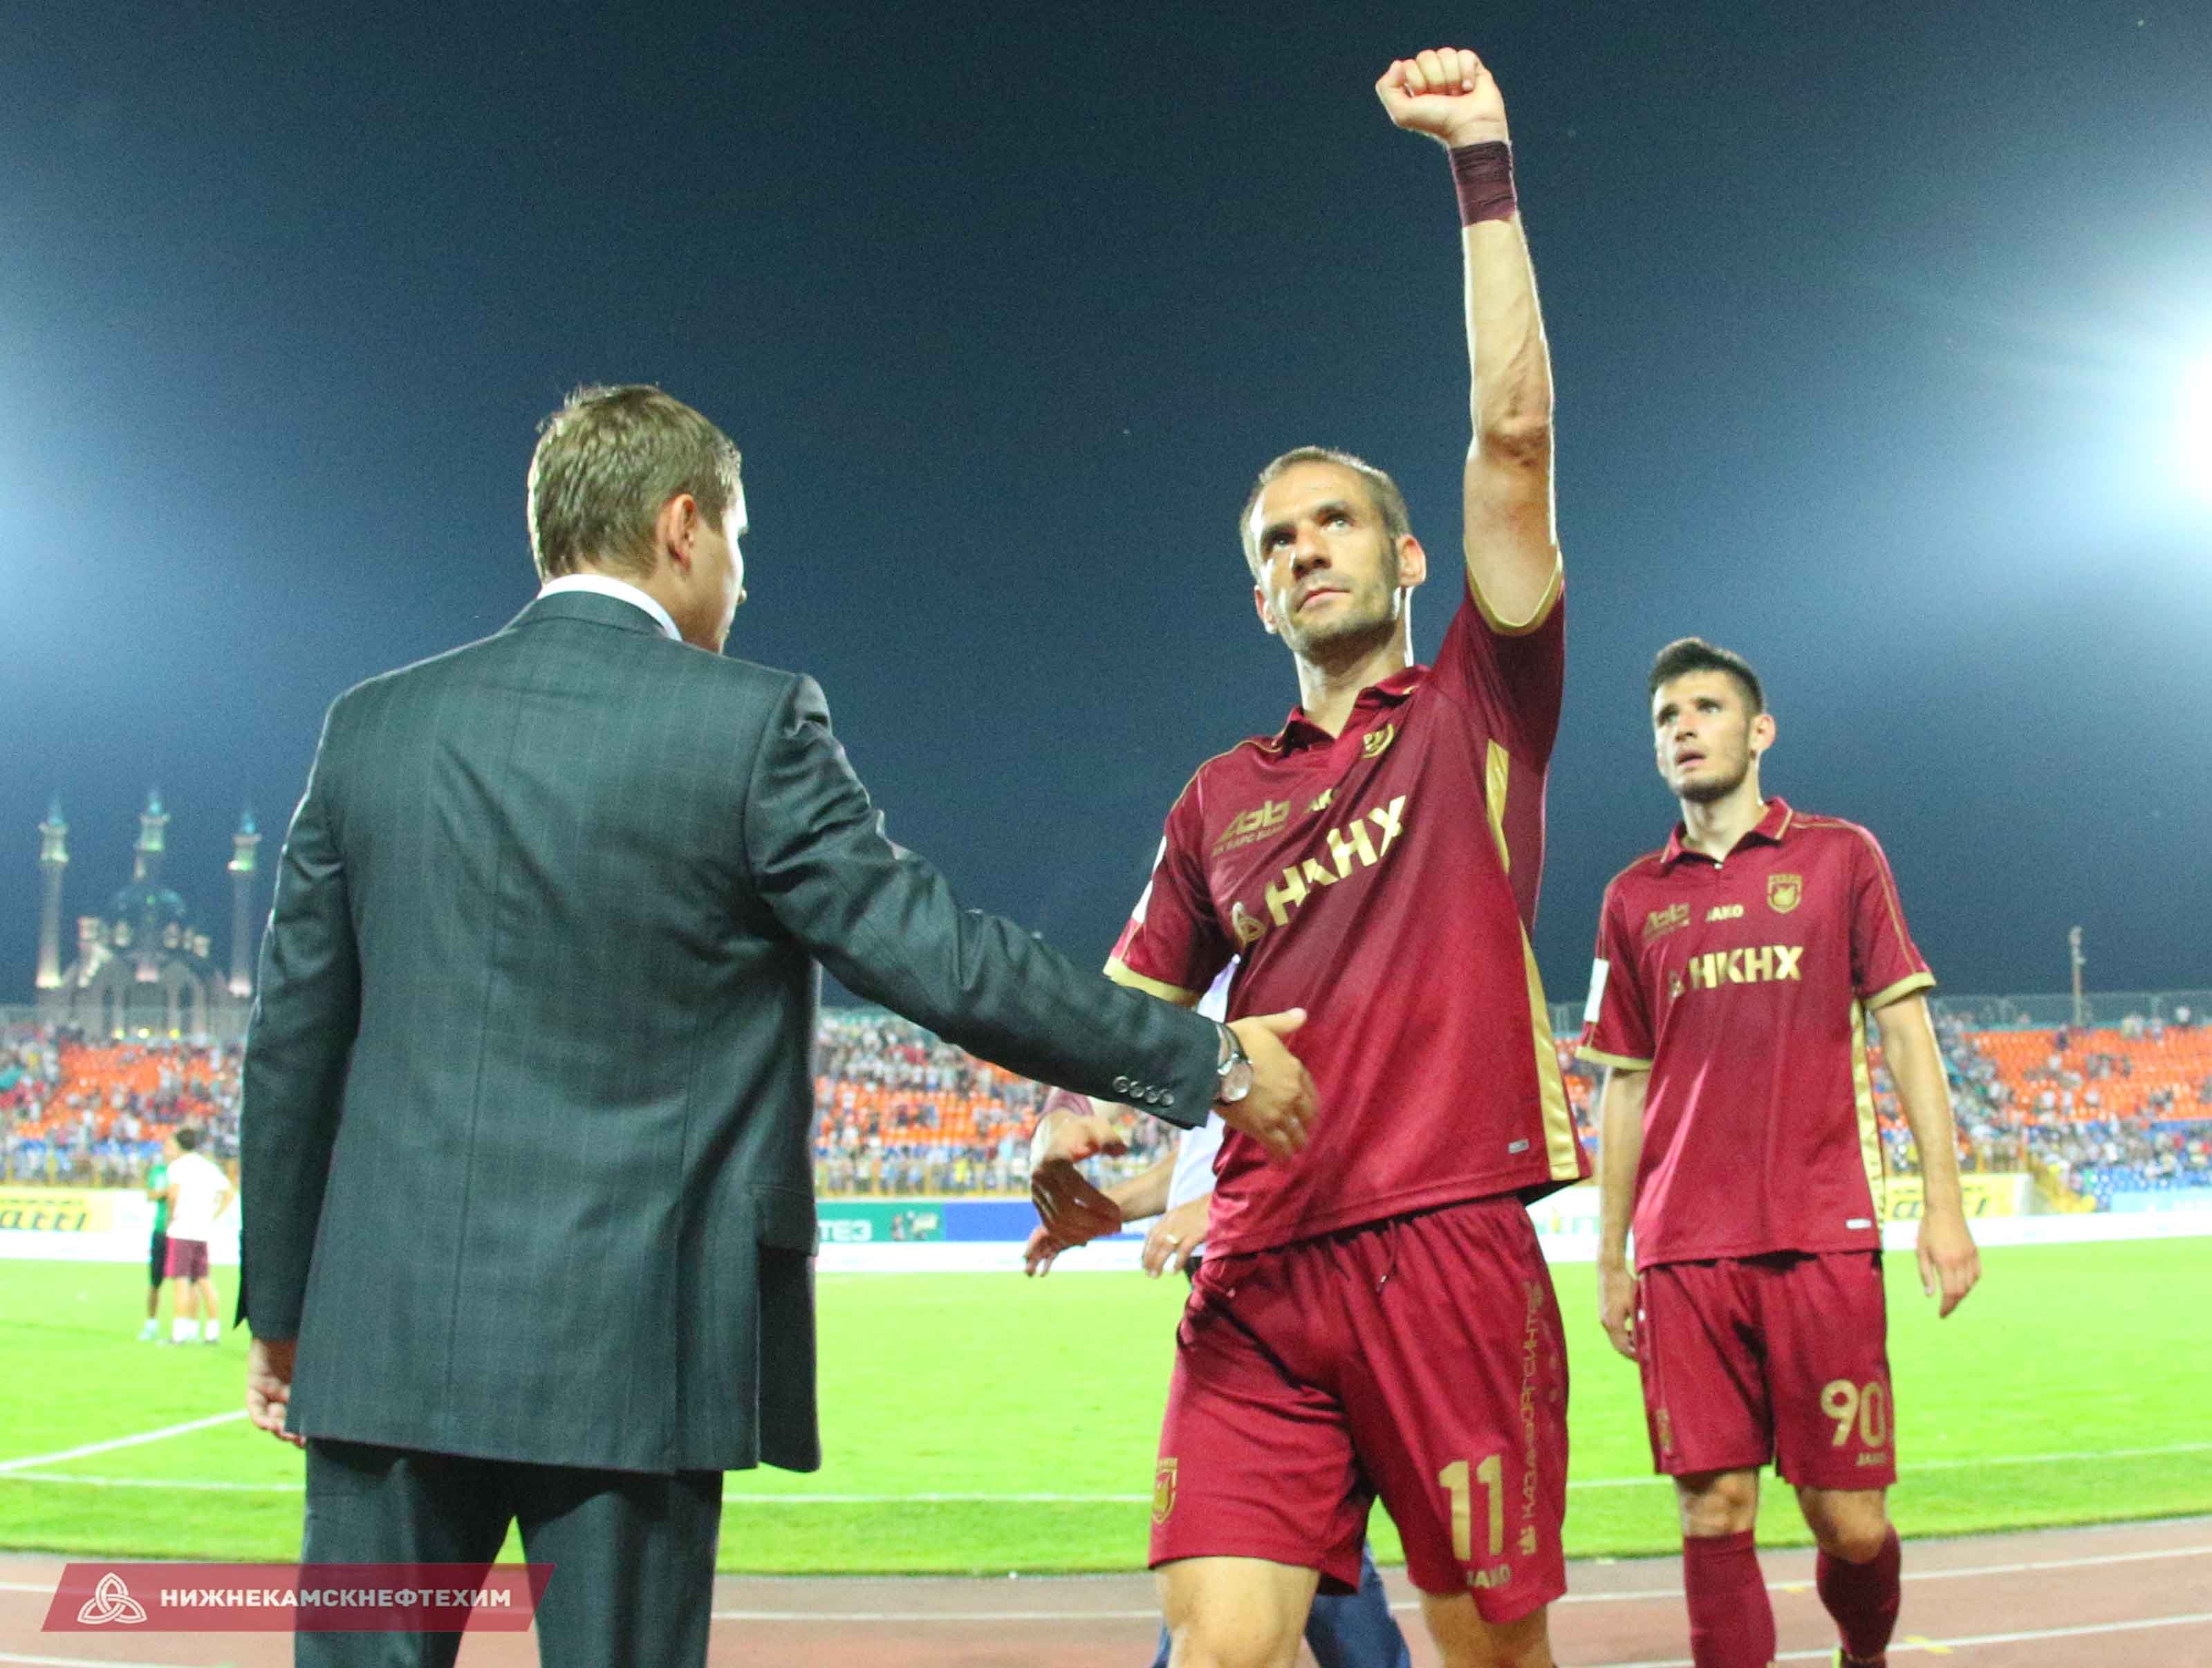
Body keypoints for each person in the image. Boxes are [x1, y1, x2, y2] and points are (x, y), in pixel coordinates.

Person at [238, 383, 1319, 1667]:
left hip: (383, 1343)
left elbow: (293, 1048)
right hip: (630, 1353)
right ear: (682, 527)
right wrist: (1206, 1058)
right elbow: (943, 961)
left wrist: (282, 1312)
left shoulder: (370, 729)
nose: (743, 581)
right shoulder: (743, 725)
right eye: (739, 541)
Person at [1032, 47, 1577, 1668]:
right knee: (1218, 1650)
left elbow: (1514, 436)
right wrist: (1076, 1124)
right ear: (1257, 595)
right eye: (1275, 541)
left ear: (1405, 558)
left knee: (1491, 1655)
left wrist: (1482, 165)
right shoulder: (1219, 796)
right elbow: (1128, 1005)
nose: (1302, 548)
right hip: (1258, 1268)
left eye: (1332, 521)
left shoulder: (1481, 701)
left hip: (1447, 1243)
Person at [1577, 638, 1982, 1668]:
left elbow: (1905, 1033)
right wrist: (1611, 1254)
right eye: (1667, 717)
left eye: (1706, 709)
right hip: (1683, 1252)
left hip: (1820, 1236)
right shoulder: (1632, 898)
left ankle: (1865, 1654)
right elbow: (1624, 1085)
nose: (1684, 728)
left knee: (1848, 1521)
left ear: (1759, 731)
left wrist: (1944, 1208)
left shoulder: (1841, 857)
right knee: (1712, 1509)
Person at [1023, 971, 1414, 1668]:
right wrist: (1106, 1211)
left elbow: (1356, 1108)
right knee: (1260, 1537)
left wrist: (1226, 1207)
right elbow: (1200, 1159)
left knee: (1248, 1531)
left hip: (1292, 1276)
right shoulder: (1215, 975)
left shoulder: (1298, 960)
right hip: (1231, 1278)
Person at [160, 1127, 233, 1345]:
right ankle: (212, 1331)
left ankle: (179, 1333)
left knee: (181, 1281)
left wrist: (171, 1218)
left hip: (182, 1229)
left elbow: (173, 1195)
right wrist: (213, 1216)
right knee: (204, 1280)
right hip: (202, 1231)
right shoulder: (208, 1167)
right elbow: (229, 1193)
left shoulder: (177, 1167)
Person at [138, 1149, 171, 1342]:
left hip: (182, 1232)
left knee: (188, 1281)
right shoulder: (158, 1171)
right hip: (160, 1230)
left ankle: (186, 1327)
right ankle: (151, 1325)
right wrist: (166, 1192)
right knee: (155, 1280)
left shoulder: (184, 1171)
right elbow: (150, 1195)